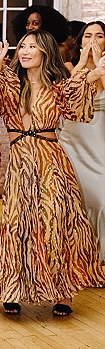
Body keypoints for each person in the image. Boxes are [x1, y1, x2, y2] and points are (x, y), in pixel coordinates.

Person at [0, 31, 105, 316]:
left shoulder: (57, 86)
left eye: (33, 47)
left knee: (55, 223)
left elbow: (77, 107)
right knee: (18, 224)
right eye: (23, 46)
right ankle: (13, 288)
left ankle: (63, 293)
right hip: (21, 163)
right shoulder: (13, 83)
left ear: (45, 52)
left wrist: (93, 73)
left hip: (52, 161)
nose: (25, 51)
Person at [59, 21, 105, 263]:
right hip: (73, 139)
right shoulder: (69, 67)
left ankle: (99, 253)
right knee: (75, 197)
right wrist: (83, 65)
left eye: (99, 36)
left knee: (102, 198)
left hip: (99, 139)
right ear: (79, 41)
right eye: (88, 35)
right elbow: (67, 95)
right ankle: (78, 255)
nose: (93, 40)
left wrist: (99, 66)